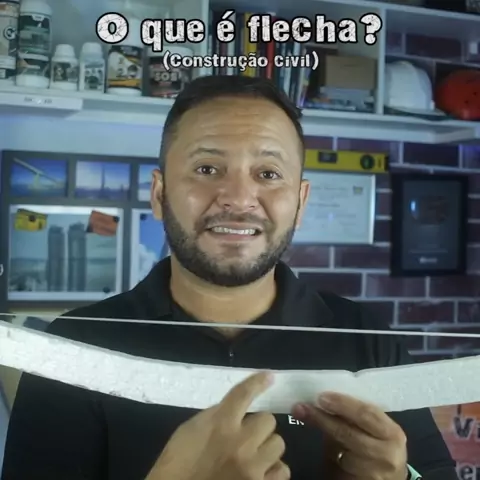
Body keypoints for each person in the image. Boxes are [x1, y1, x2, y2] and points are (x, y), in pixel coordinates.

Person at [2, 75, 456, 480]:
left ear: (300, 203)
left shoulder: (370, 342)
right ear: (159, 194)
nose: (239, 198)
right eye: (207, 169)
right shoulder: (73, 350)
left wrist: (402, 479)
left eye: (268, 173)